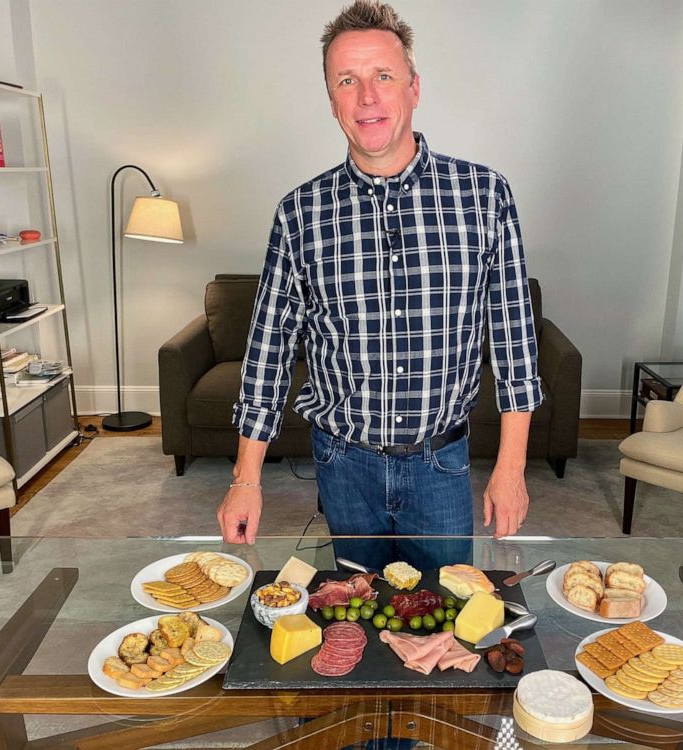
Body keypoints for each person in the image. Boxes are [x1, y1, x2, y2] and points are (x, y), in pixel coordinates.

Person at [217, 0, 543, 572]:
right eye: (348, 80)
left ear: (414, 88)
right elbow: (268, 352)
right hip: (343, 465)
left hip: (441, 464)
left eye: (383, 76)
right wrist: (247, 480)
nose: (367, 96)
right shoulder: (300, 213)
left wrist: (511, 468)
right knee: (357, 619)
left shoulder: (484, 197)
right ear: (332, 100)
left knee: (442, 628)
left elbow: (515, 343)